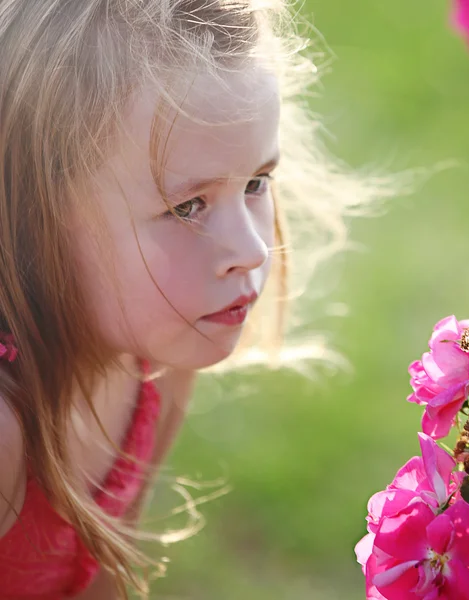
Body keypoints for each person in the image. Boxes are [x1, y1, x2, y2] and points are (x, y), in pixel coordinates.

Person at [0, 0, 381, 598]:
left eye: (256, 183)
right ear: (36, 217)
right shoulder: (7, 434)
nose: (254, 250)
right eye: (187, 206)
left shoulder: (159, 367)